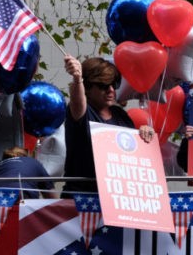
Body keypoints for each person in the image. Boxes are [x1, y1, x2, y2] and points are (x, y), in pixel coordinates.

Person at [63, 55, 155, 194]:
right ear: (87, 87)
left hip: (116, 197)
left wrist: (144, 134)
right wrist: (77, 79)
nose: (111, 90)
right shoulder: (82, 112)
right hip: (83, 199)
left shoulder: (120, 114)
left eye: (115, 84)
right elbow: (77, 101)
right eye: (103, 86)